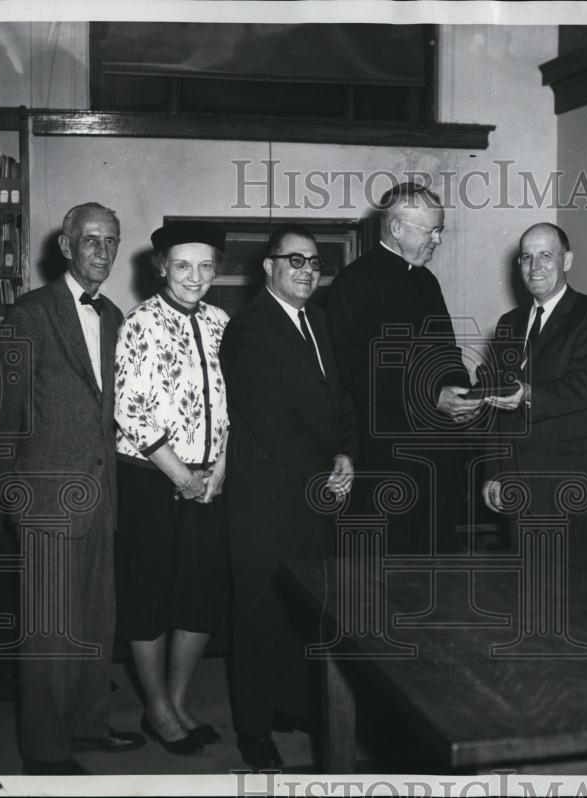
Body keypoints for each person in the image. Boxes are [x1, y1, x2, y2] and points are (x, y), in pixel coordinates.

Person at [0, 202, 143, 774]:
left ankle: (88, 726)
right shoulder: (29, 315)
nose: (102, 251)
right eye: (91, 240)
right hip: (46, 499)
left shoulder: (116, 318)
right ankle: (46, 751)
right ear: (67, 246)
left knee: (95, 620)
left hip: (104, 498)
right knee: (50, 630)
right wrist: (14, 496)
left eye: (111, 240)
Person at [220, 224, 357, 770]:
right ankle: (254, 731)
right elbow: (273, 421)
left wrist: (348, 453)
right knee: (259, 620)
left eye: (314, 262)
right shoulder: (247, 330)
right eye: (293, 260)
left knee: (308, 614)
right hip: (267, 505)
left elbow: (339, 399)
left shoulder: (320, 322)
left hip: (318, 495)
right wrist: (326, 469)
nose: (306, 269)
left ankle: (291, 705)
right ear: (268, 267)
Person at [113, 220, 230, 755]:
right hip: (151, 479)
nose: (195, 276)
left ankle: (181, 701)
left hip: (208, 480)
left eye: (206, 265)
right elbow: (131, 412)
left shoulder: (222, 322)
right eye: (183, 265)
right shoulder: (140, 322)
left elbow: (232, 410)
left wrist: (217, 472)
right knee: (150, 594)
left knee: (199, 594)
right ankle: (157, 708)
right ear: (162, 266)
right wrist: (182, 477)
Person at [327, 182, 481, 554]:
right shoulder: (353, 282)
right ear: (397, 228)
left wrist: (462, 394)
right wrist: (432, 396)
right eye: (433, 231)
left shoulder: (427, 281)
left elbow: (447, 351)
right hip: (386, 456)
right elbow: (353, 368)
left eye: (440, 230)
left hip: (437, 455)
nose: (438, 241)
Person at [482, 223, 587, 546]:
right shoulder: (508, 324)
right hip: (517, 485)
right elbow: (496, 407)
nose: (535, 266)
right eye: (526, 257)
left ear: (566, 261)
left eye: (545, 255)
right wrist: (493, 472)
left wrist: (529, 394)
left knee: (572, 591)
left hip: (571, 484)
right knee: (525, 590)